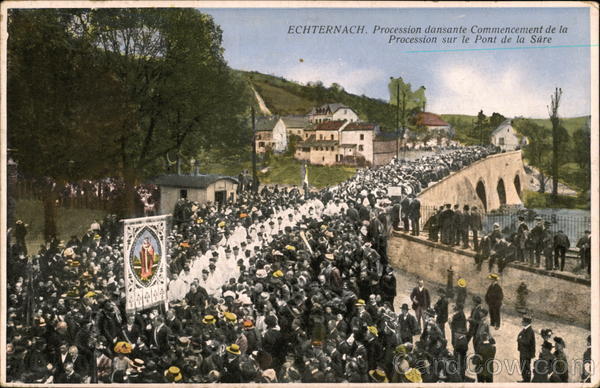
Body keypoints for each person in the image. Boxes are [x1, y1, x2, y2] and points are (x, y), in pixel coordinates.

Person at [449, 303, 468, 380]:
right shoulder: (462, 314)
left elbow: (452, 323)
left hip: (457, 334)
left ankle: (457, 370)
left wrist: (450, 322)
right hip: (460, 334)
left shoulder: (457, 315)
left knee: (457, 353)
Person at [517, 316, 535, 383]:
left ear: (526, 322)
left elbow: (527, 341)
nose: (522, 322)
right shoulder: (526, 329)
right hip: (523, 352)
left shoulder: (529, 330)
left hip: (526, 353)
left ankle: (527, 380)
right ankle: (525, 379)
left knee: (526, 367)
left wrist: (520, 339)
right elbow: (520, 336)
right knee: (523, 366)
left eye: (523, 321)